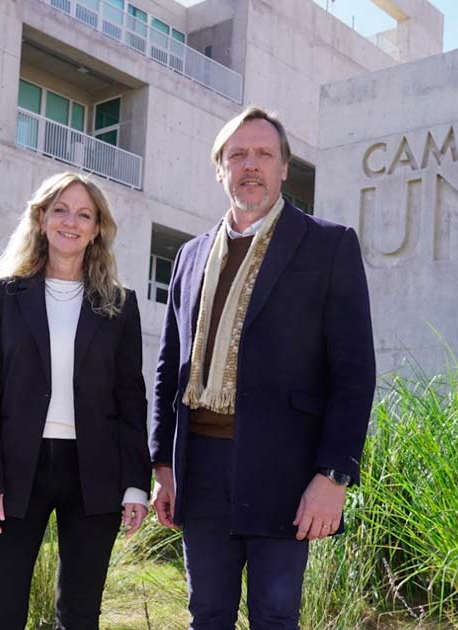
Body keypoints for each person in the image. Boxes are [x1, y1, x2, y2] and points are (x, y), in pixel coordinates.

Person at [149, 107, 376, 629]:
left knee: (275, 615)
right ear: (220, 169)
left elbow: (353, 372)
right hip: (200, 467)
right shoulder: (189, 256)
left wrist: (334, 476)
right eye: (238, 155)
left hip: (285, 469)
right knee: (206, 613)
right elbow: (169, 368)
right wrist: (164, 465)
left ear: (283, 170)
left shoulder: (328, 245)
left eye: (263, 154)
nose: (250, 165)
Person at [0, 172, 151, 630]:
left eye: (84, 214)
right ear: (42, 218)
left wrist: (135, 484)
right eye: (61, 210)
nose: (71, 221)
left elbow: (132, 398)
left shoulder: (119, 305)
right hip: (15, 471)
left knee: (81, 615)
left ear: (96, 229)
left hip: (96, 472)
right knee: (2, 614)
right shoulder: (5, 296)